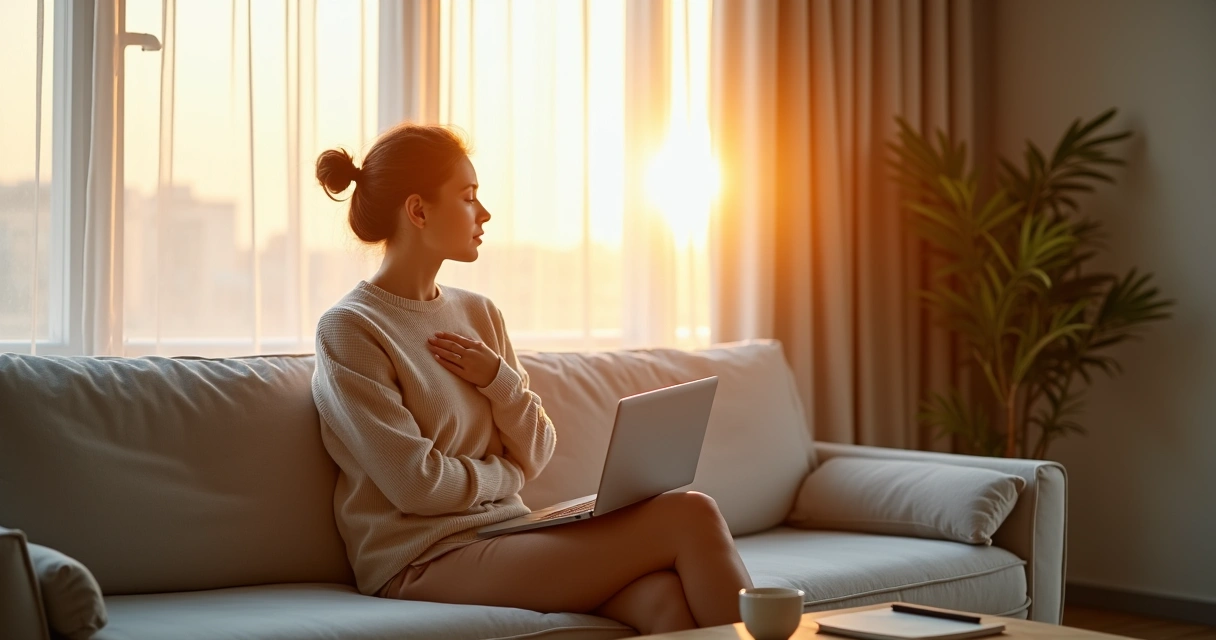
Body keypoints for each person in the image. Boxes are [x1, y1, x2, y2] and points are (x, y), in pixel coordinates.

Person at [311, 122, 754, 635]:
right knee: (689, 515)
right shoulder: (350, 329)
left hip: (506, 532)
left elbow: (538, 448)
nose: (484, 213)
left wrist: (499, 380)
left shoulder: (480, 314)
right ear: (418, 210)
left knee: (662, 601)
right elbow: (418, 487)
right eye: (469, 197)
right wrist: (507, 477)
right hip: (421, 559)